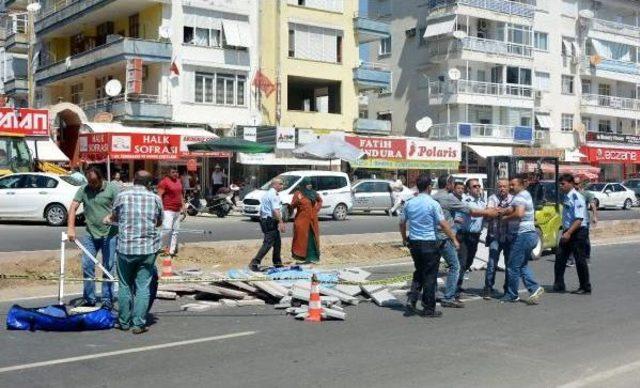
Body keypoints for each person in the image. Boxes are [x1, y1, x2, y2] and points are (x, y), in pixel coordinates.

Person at [107, 170, 163, 334]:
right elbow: (159, 221)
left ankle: (124, 321)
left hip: (126, 248)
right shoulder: (155, 198)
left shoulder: (122, 196)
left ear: (134, 180)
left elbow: (114, 216)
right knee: (143, 287)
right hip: (147, 249)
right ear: (149, 183)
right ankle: (138, 323)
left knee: (124, 285)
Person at [400, 174, 459, 318]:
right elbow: (443, 224)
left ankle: (412, 300)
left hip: (414, 242)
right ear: (429, 187)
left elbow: (402, 223)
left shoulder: (409, 203)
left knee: (419, 271)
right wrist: (454, 239)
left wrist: (404, 239)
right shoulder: (432, 204)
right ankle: (428, 309)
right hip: (429, 243)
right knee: (430, 276)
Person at [67, 167, 119, 308]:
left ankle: (107, 300)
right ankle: (89, 299)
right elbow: (72, 208)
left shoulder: (112, 188)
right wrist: (71, 228)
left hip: (110, 234)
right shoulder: (84, 189)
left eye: (95, 182)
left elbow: (120, 207)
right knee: (87, 266)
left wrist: (112, 217)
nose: (92, 185)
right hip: (91, 234)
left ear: (101, 179)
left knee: (108, 267)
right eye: (90, 182)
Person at [499, 175, 545, 304]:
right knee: (522, 265)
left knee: (512, 266)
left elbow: (519, 213)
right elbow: (512, 208)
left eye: (513, 185)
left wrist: (505, 218)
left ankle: (512, 295)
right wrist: (502, 211)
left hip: (523, 235)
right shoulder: (524, 195)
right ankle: (534, 288)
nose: (511, 187)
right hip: (530, 234)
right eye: (510, 185)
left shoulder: (520, 196)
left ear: (521, 184)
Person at [553, 174, 592, 295]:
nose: (561, 186)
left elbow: (579, 219)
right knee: (560, 257)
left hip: (577, 231)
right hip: (568, 231)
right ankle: (559, 283)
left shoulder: (577, 197)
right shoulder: (567, 196)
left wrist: (569, 232)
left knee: (579, 259)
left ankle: (585, 287)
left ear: (570, 183)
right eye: (560, 184)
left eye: (563, 184)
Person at [483, 178, 517, 300]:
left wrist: (498, 211)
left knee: (509, 264)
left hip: (509, 236)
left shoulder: (514, 199)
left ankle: (507, 288)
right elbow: (488, 213)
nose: (502, 189)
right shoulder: (492, 198)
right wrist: (504, 212)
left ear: (509, 187)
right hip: (495, 236)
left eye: (504, 186)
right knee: (492, 262)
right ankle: (488, 287)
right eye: (500, 186)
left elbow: (515, 213)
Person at [455, 179, 488, 296]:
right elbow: (474, 212)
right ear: (468, 189)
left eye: (479, 186)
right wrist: (490, 212)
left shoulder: (481, 201)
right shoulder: (466, 201)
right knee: (462, 262)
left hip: (475, 235)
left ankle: (457, 284)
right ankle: (454, 288)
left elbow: (484, 217)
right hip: (464, 235)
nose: (478, 188)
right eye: (474, 186)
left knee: (469, 262)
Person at [249, 177, 285, 271]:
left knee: (277, 242)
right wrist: (281, 222)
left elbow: (262, 209)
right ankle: (255, 262)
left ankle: (277, 262)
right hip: (270, 221)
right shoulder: (273, 195)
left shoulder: (267, 194)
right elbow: (275, 210)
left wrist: (262, 219)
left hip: (266, 220)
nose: (282, 186)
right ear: (274, 185)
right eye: (280, 184)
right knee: (268, 243)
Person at [290, 177, 323, 264]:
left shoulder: (314, 193)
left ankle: (312, 257)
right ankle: (300, 257)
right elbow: (292, 205)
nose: (310, 186)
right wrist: (290, 208)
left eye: (311, 184)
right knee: (301, 239)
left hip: (312, 220)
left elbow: (320, 201)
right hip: (301, 220)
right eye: (308, 184)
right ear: (304, 184)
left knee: (312, 238)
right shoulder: (298, 193)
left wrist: (316, 209)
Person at [157, 168, 185, 256]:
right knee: (166, 229)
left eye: (176, 172)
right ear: (168, 173)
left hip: (177, 210)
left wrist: (183, 206)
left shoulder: (178, 181)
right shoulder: (164, 182)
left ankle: (171, 251)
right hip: (168, 209)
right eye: (173, 172)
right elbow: (159, 196)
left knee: (175, 231)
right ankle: (157, 246)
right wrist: (160, 208)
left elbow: (180, 194)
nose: (175, 174)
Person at [575, 177, 597, 264]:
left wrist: (595, 216)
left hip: (584, 220)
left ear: (580, 184)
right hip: (574, 220)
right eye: (574, 183)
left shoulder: (586, 194)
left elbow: (593, 205)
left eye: (576, 184)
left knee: (585, 239)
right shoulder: (572, 194)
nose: (575, 186)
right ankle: (573, 258)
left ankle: (587, 256)